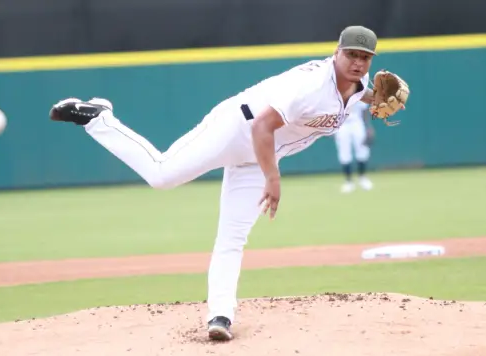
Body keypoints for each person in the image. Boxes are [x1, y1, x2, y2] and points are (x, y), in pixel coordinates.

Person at [48, 25, 407, 341]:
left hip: (261, 154)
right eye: (351, 54)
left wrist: (379, 96)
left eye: (365, 56)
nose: (358, 62)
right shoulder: (312, 86)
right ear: (336, 52)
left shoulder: (357, 88)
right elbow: (262, 127)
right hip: (236, 128)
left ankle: (220, 316)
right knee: (162, 175)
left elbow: (365, 94)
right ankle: (99, 118)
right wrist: (273, 177)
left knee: (233, 237)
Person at [334, 100, 375, 193]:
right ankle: (348, 181)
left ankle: (362, 178)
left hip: (357, 122)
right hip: (342, 124)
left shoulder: (358, 88)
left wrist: (368, 126)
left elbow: (364, 110)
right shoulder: (337, 90)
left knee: (362, 149)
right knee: (344, 151)